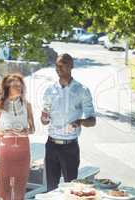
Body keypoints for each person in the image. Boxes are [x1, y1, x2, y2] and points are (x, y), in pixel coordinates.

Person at [41, 53, 96, 191]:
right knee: (51, 190)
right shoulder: (50, 90)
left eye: (63, 63)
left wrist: (79, 121)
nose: (58, 67)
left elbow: (92, 120)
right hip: (51, 145)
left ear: (71, 65)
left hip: (69, 147)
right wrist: (44, 118)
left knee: (71, 189)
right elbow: (44, 119)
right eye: (57, 64)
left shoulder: (82, 90)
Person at [0, 73, 35, 200]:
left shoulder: (27, 104)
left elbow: (33, 129)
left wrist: (25, 131)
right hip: (5, 150)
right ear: (7, 88)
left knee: (20, 188)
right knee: (3, 188)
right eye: (15, 86)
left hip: (23, 150)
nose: (19, 88)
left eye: (20, 85)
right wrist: (7, 132)